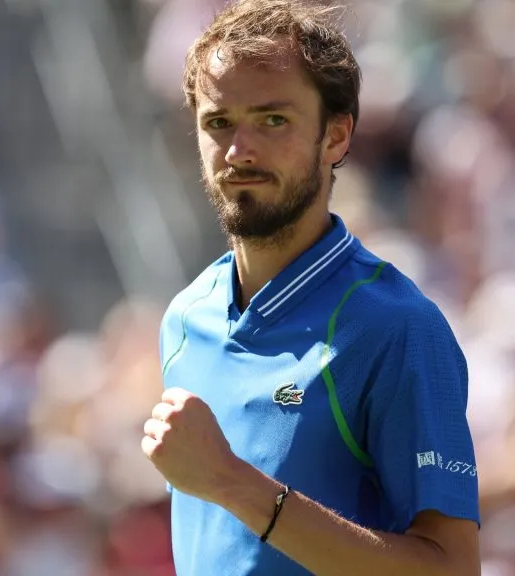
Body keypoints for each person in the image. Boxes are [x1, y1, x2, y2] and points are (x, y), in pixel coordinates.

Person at [141, 1, 480, 574]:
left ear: (336, 136)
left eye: (273, 120)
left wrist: (230, 480)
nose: (239, 151)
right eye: (218, 122)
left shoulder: (397, 328)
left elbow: (452, 570)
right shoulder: (184, 319)